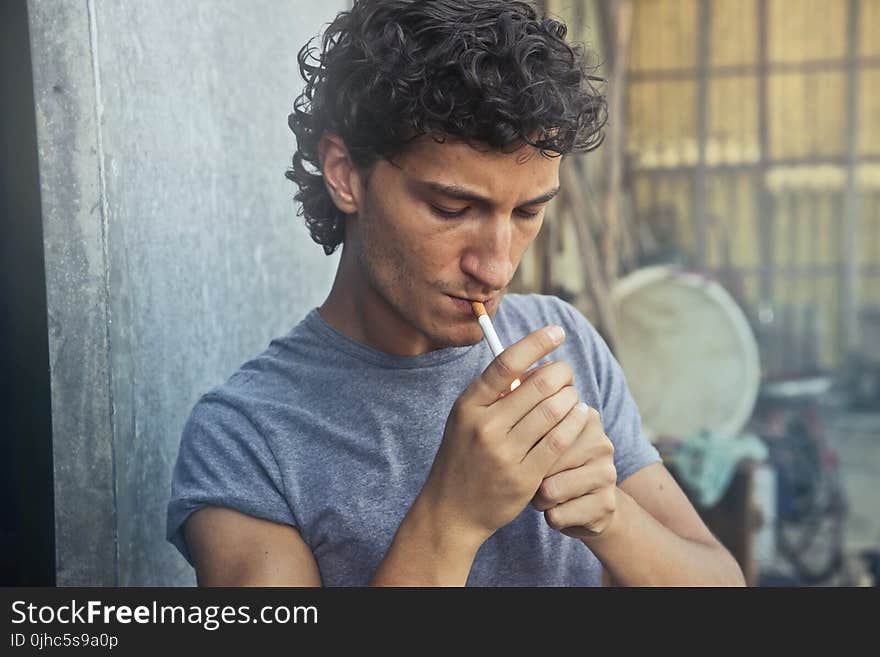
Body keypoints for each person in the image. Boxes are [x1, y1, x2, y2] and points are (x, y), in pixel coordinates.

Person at [166, 0, 745, 586]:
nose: (495, 266)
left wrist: (611, 517)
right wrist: (452, 518)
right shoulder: (246, 436)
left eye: (527, 212)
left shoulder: (563, 349)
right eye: (452, 208)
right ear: (344, 174)